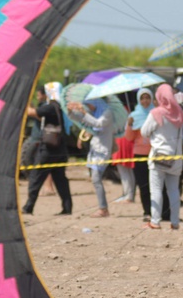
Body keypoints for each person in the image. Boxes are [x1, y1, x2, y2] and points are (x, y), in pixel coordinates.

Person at [21, 85, 72, 215]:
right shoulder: (59, 107)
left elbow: (33, 113)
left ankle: (28, 207)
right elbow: (39, 115)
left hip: (49, 150)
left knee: (35, 177)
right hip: (60, 149)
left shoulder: (50, 107)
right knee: (60, 179)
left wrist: (24, 102)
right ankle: (67, 208)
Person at [141, 84, 183, 230]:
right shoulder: (179, 112)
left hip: (159, 157)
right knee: (173, 190)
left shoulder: (156, 113)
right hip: (176, 158)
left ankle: (155, 221)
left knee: (156, 189)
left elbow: (144, 131)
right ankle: (175, 222)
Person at [68, 98, 115, 218]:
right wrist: (71, 111)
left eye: (90, 103)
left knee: (96, 178)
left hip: (103, 151)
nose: (89, 106)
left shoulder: (107, 112)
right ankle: (103, 208)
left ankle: (103, 209)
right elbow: (80, 120)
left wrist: (84, 113)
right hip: (95, 150)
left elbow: (98, 123)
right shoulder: (95, 113)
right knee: (95, 179)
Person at [125, 88, 154, 222]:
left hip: (154, 154)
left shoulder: (155, 113)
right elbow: (129, 138)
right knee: (143, 185)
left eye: (147, 97)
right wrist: (130, 125)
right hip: (139, 154)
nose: (145, 101)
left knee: (156, 185)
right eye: (142, 98)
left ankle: (158, 211)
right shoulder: (134, 115)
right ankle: (146, 211)